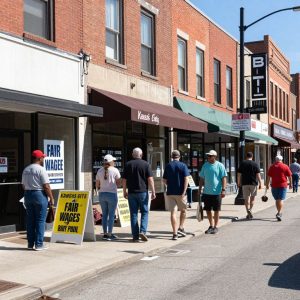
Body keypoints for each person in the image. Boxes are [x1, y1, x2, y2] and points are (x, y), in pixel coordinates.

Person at [22, 150, 55, 251]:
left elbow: (23, 185)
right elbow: (46, 186)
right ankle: (39, 244)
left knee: (30, 221)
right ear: (39, 158)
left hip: (28, 194)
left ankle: (30, 244)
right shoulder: (41, 169)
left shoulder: (26, 169)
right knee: (40, 220)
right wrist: (52, 198)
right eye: (42, 157)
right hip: (39, 194)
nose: (43, 159)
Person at [122, 147, 156, 242]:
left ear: (133, 155)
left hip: (132, 192)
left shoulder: (128, 164)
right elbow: (150, 179)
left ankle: (135, 236)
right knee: (144, 212)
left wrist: (124, 191)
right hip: (143, 192)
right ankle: (143, 231)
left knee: (133, 214)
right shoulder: (146, 164)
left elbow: (124, 180)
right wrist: (153, 191)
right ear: (141, 155)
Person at [198, 150, 227, 234]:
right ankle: (211, 225)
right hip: (207, 192)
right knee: (207, 210)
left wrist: (223, 190)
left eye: (210, 156)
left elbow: (224, 178)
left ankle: (215, 226)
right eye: (208, 156)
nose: (209, 157)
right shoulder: (205, 166)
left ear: (215, 156)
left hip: (217, 192)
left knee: (216, 210)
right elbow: (201, 178)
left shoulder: (220, 165)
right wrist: (199, 189)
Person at [163, 150, 189, 240]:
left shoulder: (168, 166)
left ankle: (174, 234)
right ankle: (181, 227)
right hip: (180, 193)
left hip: (171, 193)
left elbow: (164, 180)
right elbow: (186, 179)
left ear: (171, 156)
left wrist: (168, 186)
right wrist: (184, 191)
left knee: (173, 213)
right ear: (179, 156)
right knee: (183, 210)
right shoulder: (183, 165)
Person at [96, 154, 121, 241]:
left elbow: (97, 185)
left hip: (102, 194)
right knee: (111, 215)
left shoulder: (99, 171)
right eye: (113, 161)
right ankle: (110, 233)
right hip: (111, 194)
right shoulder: (115, 170)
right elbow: (118, 183)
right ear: (111, 162)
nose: (114, 162)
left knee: (104, 214)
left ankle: (105, 233)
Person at [266, 155, 292, 221]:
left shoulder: (272, 166)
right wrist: (291, 184)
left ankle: (278, 212)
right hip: (282, 185)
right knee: (280, 199)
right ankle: (279, 212)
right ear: (281, 160)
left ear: (275, 160)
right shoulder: (285, 166)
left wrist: (267, 184)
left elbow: (268, 176)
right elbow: (289, 176)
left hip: (274, 185)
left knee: (277, 199)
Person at [237, 152, 262, 219]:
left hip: (245, 183)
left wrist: (238, 182)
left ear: (246, 156)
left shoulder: (243, 163)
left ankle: (247, 211)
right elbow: (258, 174)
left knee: (246, 198)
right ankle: (250, 209)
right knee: (252, 198)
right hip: (253, 183)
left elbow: (239, 174)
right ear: (252, 156)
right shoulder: (255, 164)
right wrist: (260, 183)